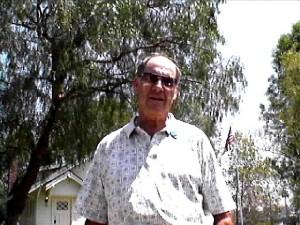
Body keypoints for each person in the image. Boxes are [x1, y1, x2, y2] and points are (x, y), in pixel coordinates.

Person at [75, 53, 236, 225]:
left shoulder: (196, 141)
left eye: (168, 82)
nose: (158, 87)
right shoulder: (108, 148)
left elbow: (223, 216)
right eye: (151, 78)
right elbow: (95, 220)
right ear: (137, 85)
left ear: (175, 92)